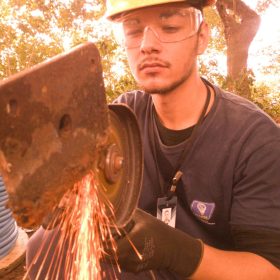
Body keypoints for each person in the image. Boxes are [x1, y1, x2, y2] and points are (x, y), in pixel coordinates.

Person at [26, 0, 280, 279]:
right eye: (134, 31)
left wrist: (177, 251)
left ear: (202, 37)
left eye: (169, 27)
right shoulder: (125, 116)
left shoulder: (254, 140)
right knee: (44, 244)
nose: (147, 45)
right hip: (141, 270)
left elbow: (270, 270)